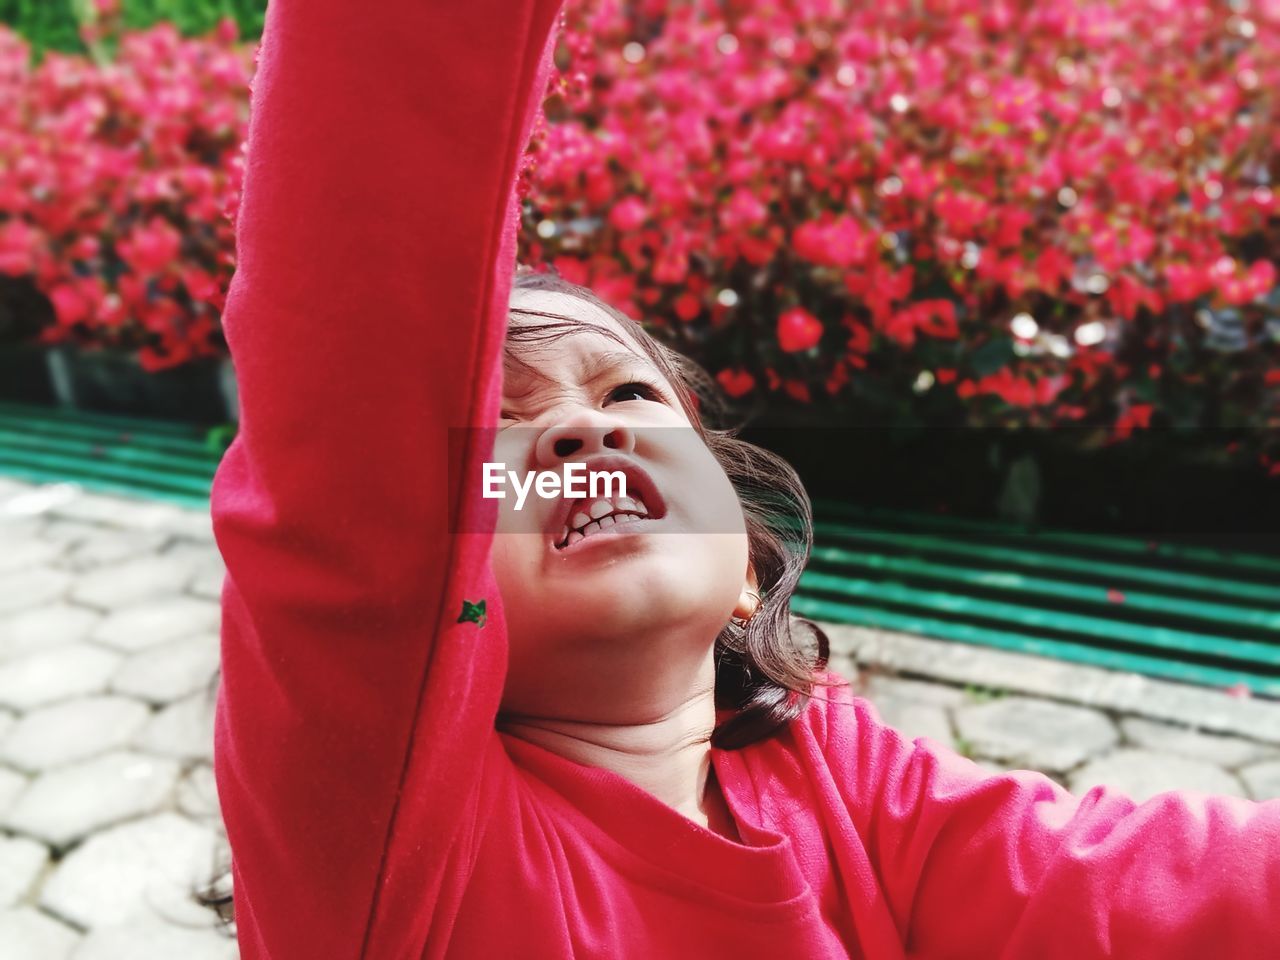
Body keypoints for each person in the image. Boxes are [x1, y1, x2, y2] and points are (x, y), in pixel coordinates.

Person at [209, 1, 1280, 957]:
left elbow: (1127, 882)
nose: (581, 436)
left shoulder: (840, 779)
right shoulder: (397, 856)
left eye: (628, 396)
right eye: (495, 431)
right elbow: (356, 351)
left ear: (741, 573)